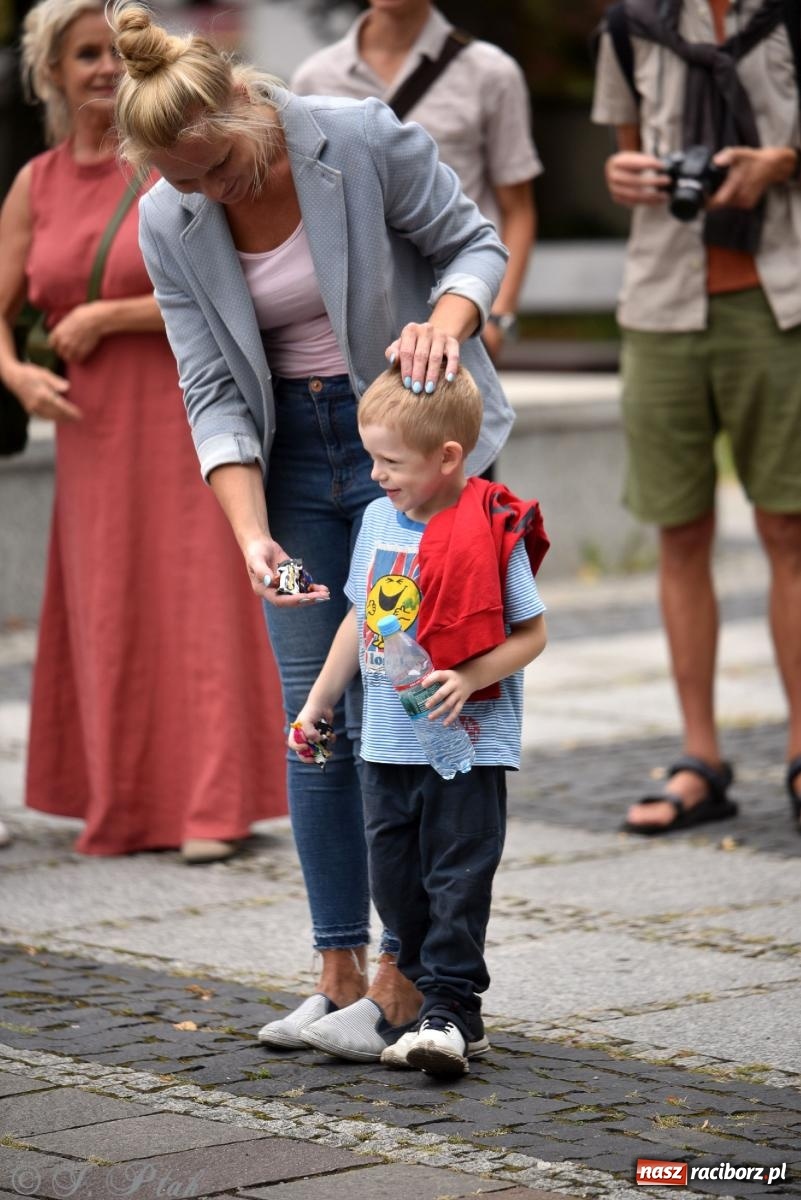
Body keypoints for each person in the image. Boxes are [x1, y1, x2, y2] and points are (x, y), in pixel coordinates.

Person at [109, 1, 515, 1054]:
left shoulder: (359, 136)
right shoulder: (169, 215)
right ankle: (336, 969)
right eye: (184, 181)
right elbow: (210, 386)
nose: (206, 194)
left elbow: (475, 242)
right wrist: (252, 537)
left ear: (244, 101)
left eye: (219, 170)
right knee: (315, 712)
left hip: (407, 453)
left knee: (415, 696)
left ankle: (408, 975)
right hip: (290, 461)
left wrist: (445, 322)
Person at [0, 0, 286, 863]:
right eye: (82, 56)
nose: (101, 70)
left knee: (201, 603)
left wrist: (109, 316)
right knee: (114, 608)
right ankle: (121, 807)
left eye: (109, 54)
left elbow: (227, 290)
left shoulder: (173, 165)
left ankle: (212, 807)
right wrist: (15, 372)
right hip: (90, 434)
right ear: (50, 72)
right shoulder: (36, 182)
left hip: (182, 413)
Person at [288, 365, 548, 1074]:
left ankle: (451, 1013)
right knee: (395, 883)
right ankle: (428, 1002)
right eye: (370, 457)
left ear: (448, 458)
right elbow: (358, 617)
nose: (374, 475)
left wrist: (468, 676)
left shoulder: (490, 527)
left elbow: (531, 635)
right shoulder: (376, 521)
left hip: (464, 748)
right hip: (385, 743)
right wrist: (319, 701)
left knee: (456, 880)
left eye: (390, 462)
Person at [592, 0, 801, 835]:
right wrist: (624, 176)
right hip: (662, 303)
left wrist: (780, 162)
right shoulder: (627, 23)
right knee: (678, 531)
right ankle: (699, 758)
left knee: (787, 528)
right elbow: (626, 156)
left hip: (778, 299)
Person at [291, 0, 540, 365]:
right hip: (350, 329)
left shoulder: (491, 72)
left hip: (455, 312)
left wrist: (498, 317)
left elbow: (517, 208)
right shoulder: (315, 78)